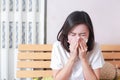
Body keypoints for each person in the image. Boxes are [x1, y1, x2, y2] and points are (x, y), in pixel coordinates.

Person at [50, 11, 105, 80]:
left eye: (82, 35)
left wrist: (83, 59)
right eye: (73, 34)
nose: (77, 39)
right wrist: (72, 58)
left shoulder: (95, 47)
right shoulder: (58, 47)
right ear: (67, 34)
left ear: (89, 34)